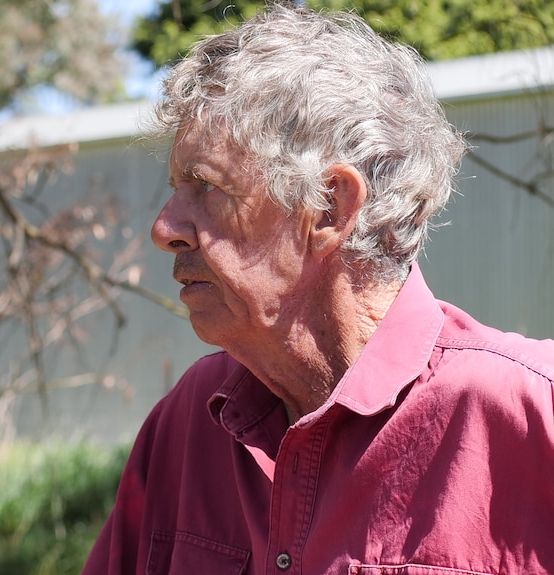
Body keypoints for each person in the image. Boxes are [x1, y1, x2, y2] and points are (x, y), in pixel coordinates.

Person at [81, 4, 554, 575]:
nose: (164, 229)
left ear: (328, 208)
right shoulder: (188, 423)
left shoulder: (529, 413)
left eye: (205, 187)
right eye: (176, 188)